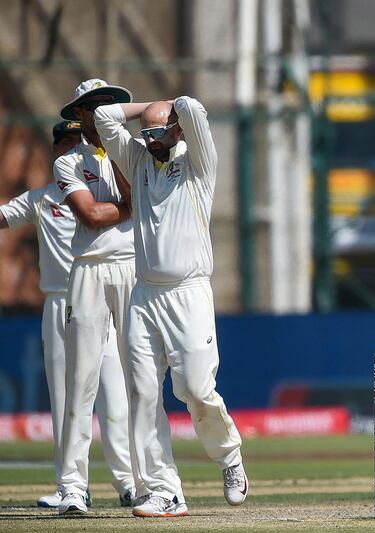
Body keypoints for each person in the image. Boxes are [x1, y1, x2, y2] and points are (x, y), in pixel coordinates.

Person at [95, 96, 247, 517]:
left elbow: (196, 111)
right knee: (142, 393)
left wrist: (173, 106)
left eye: (156, 133)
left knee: (196, 390)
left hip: (189, 293)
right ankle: (163, 489)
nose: (148, 141)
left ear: (176, 130)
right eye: (143, 134)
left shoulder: (198, 165)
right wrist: (148, 111)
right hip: (144, 295)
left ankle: (229, 459)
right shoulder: (139, 161)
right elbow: (105, 117)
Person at [0, 121, 135, 509]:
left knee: (114, 392)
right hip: (59, 302)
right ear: (56, 150)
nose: (71, 150)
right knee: (66, 396)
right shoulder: (42, 198)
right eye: (64, 143)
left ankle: (128, 481)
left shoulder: (108, 194)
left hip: (100, 295)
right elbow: (5, 216)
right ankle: (71, 486)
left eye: (77, 143)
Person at [53, 79, 139, 516]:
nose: (104, 111)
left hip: (131, 268)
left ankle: (144, 482)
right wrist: (131, 204)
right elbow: (90, 215)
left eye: (110, 105)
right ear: (81, 113)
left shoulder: (131, 150)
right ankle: (73, 485)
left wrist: (119, 153)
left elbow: (134, 193)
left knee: (139, 376)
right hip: (88, 270)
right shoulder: (68, 162)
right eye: (95, 106)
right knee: (81, 380)